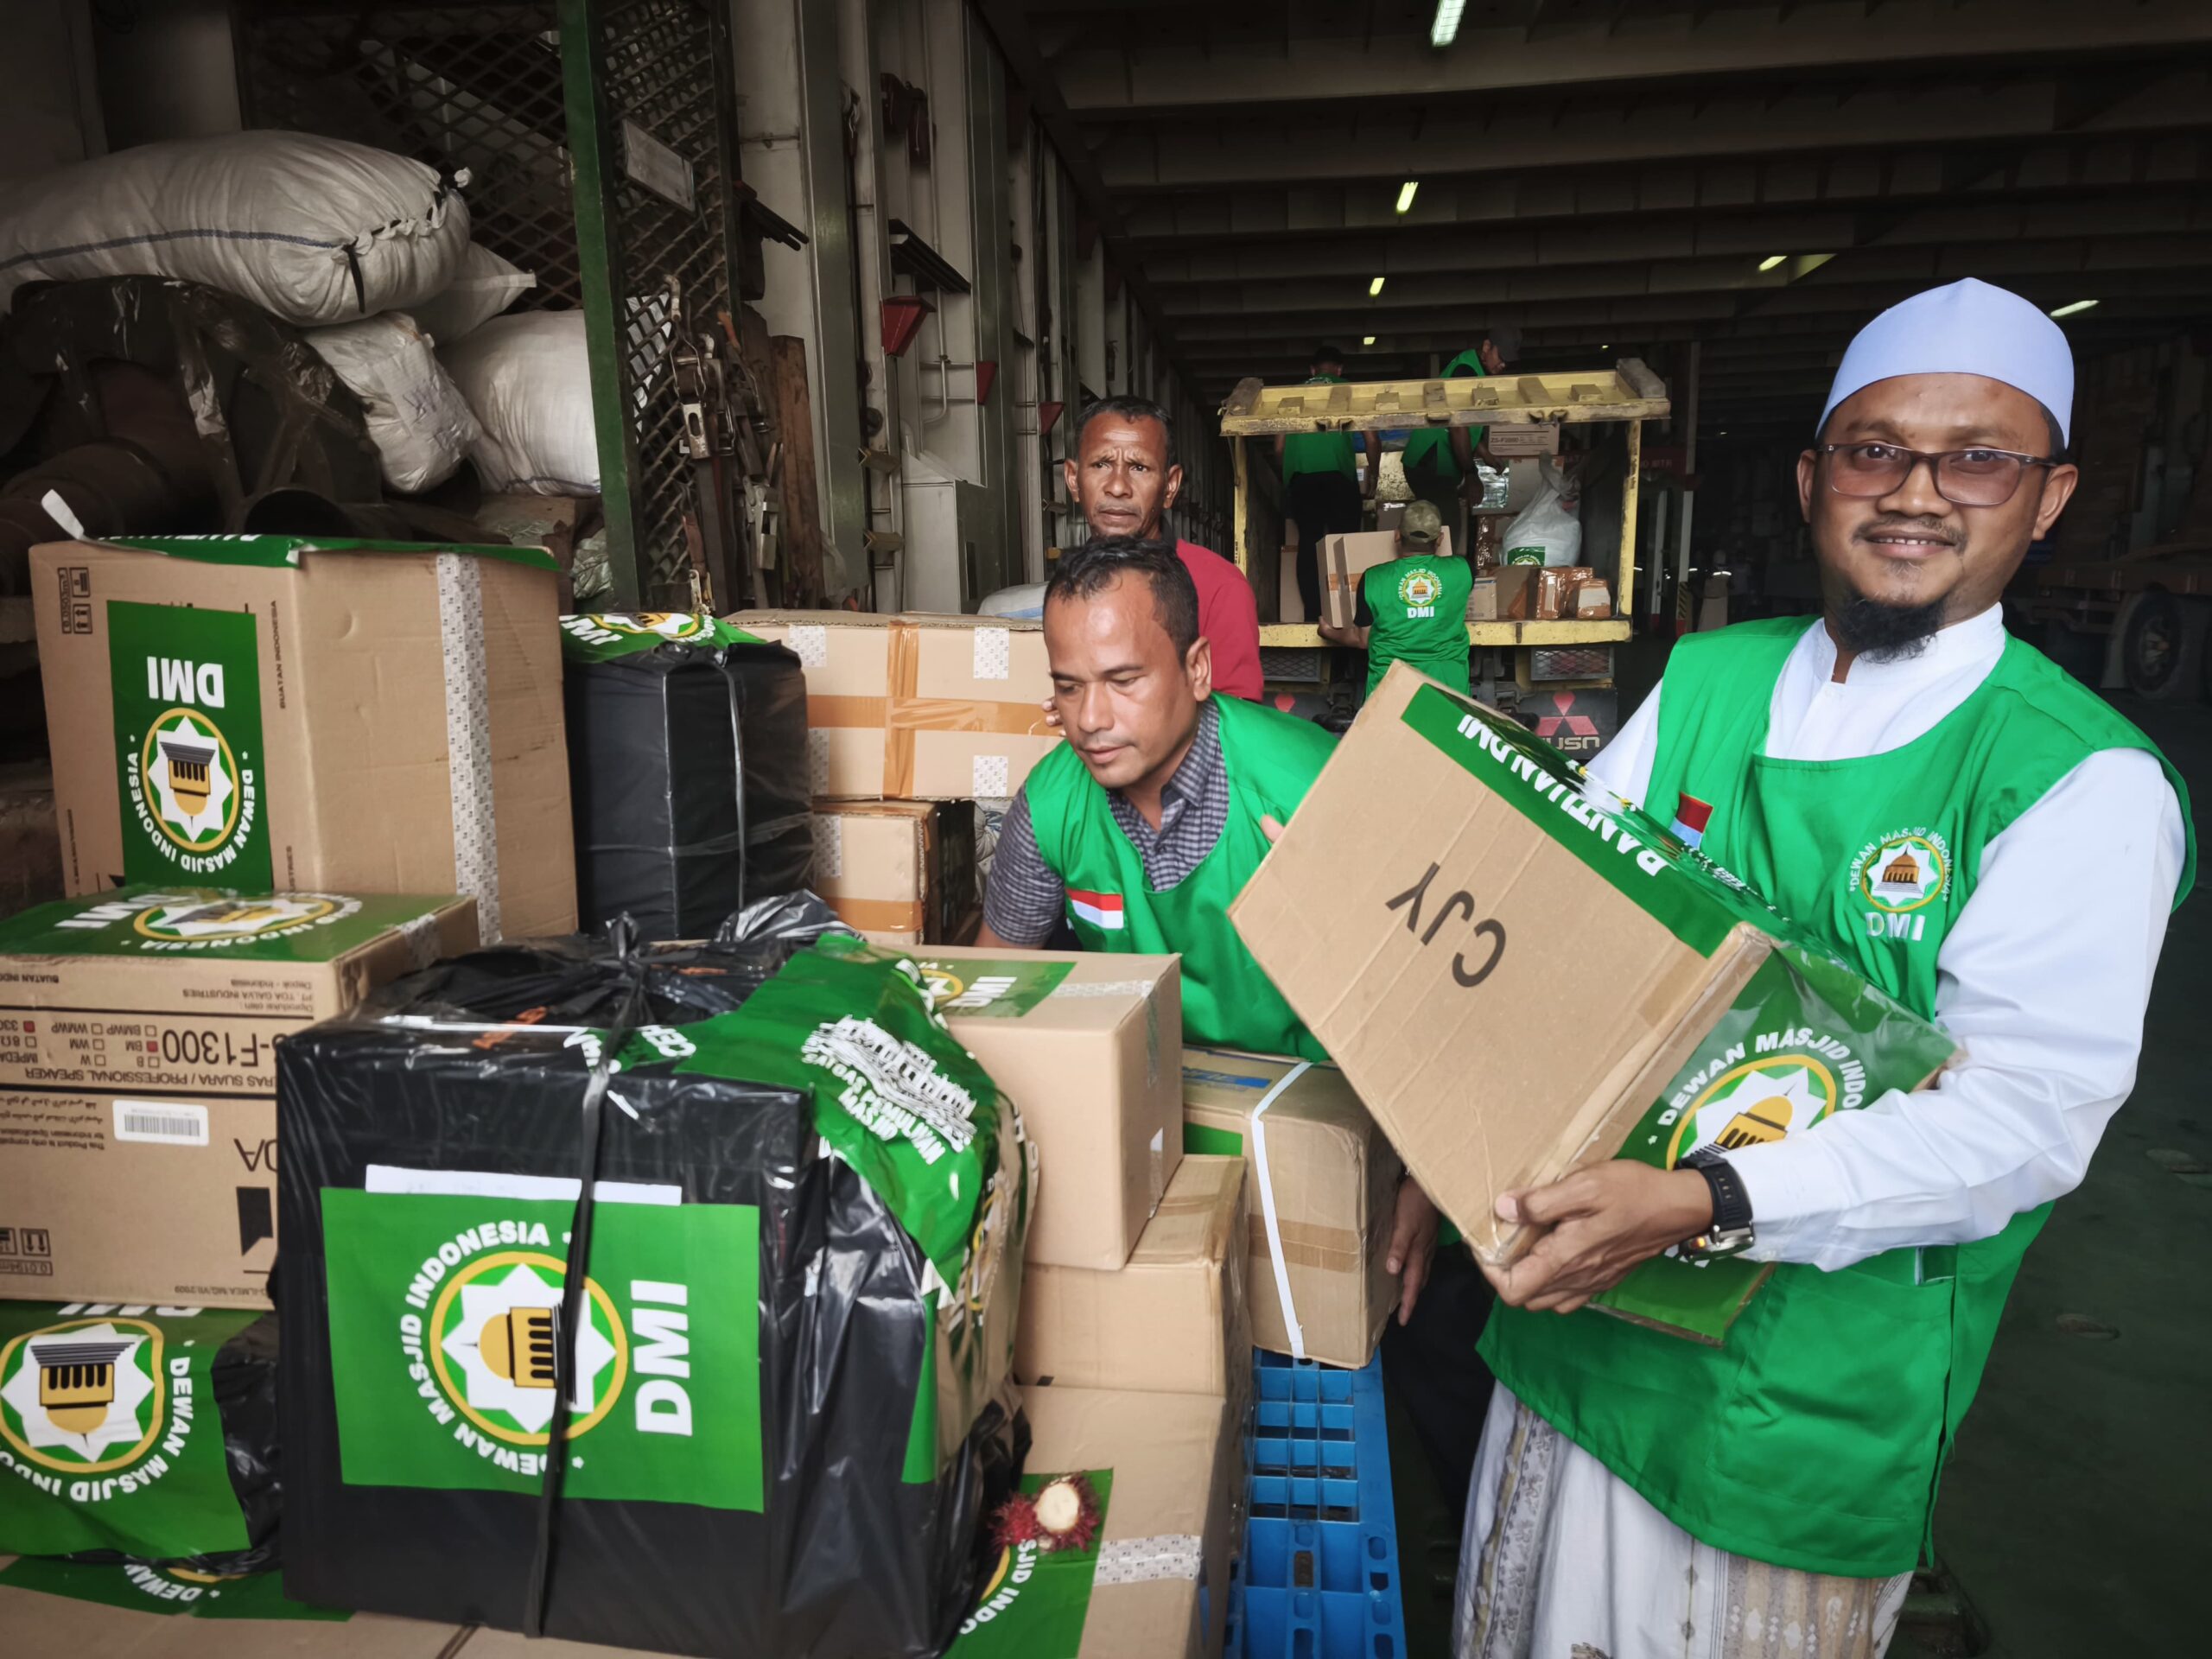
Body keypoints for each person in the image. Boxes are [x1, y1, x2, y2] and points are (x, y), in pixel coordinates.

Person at [1454, 277, 2192, 1659]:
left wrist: (1702, 1198)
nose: (1918, 492)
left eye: (1980, 456)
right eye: (1876, 449)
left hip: (1800, 1391)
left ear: (2050, 496)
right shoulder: (1707, 681)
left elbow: (2019, 1124)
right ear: (1814, 478)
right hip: (1581, 1326)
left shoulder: (2073, 780)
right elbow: (1561, 925)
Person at [980, 537, 1441, 1321]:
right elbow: (999, 996)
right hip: (1159, 1123)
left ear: (1196, 669)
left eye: (1124, 681)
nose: (1090, 719)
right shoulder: (1053, 803)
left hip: (1333, 1124)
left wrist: (1428, 1188)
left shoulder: (1314, 787)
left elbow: (1436, 1001)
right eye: (1068, 688)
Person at [1064, 396, 1263, 701]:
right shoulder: (1062, 590)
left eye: (1139, 467)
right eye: (1101, 464)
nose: (1117, 487)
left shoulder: (1219, 588)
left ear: (1170, 486)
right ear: (1073, 480)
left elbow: (1236, 723)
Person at [1318, 499, 1472, 696]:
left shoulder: (1373, 578)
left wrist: (1329, 632)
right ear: (1440, 539)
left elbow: (1361, 639)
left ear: (1397, 535)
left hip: (1391, 690)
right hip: (1449, 689)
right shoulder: (1463, 569)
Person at [1278, 344, 1382, 624]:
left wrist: (1289, 477)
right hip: (1339, 479)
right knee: (1344, 544)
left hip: (1303, 480)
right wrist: (1373, 473)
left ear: (1312, 370)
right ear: (1339, 370)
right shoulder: (1348, 390)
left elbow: (1278, 447)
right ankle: (1347, 614)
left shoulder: (1291, 395)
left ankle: (1314, 616)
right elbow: (1372, 440)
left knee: (1309, 542)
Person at [1401, 325, 1519, 533]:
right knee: (1447, 529)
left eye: (1506, 362)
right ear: (1486, 346)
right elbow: (1458, 428)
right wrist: (1471, 474)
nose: (1502, 365)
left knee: (1440, 527)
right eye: (1500, 357)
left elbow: (1468, 427)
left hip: (1433, 462)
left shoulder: (1475, 369)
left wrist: (1485, 454)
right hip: (1430, 461)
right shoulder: (1465, 372)